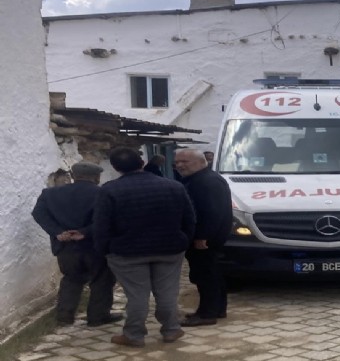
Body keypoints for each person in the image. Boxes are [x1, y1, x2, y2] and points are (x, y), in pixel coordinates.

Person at [93, 147, 195, 347]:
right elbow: (189, 219)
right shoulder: (173, 186)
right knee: (167, 293)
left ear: (115, 167)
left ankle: (134, 334)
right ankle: (171, 329)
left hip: (127, 252)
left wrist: (104, 249)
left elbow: (101, 225)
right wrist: (184, 240)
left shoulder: (109, 190)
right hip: (169, 248)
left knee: (137, 295)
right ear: (142, 163)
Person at [32, 161, 120, 327]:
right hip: (95, 246)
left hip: (66, 246)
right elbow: (108, 219)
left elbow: (38, 213)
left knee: (71, 279)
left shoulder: (50, 194)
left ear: (73, 176)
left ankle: (64, 316)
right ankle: (97, 317)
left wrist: (58, 232)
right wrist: (85, 232)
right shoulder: (103, 194)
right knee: (101, 280)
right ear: (96, 177)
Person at [174, 149, 232, 326]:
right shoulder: (199, 179)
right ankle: (217, 309)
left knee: (206, 276)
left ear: (201, 162)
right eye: (177, 162)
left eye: (185, 161)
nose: (180, 165)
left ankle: (207, 314)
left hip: (205, 239)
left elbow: (212, 212)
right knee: (212, 274)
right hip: (207, 237)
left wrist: (202, 236)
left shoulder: (206, 181)